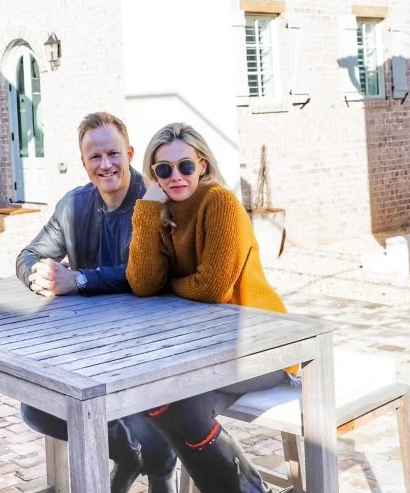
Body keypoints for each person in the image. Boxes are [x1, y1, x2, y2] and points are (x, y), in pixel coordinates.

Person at [127, 122, 296, 493]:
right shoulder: (164, 212)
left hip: (263, 342)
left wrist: (168, 287)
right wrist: (146, 211)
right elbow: (142, 283)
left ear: (202, 165)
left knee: (179, 401)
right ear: (153, 174)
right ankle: (252, 488)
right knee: (155, 398)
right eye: (164, 169)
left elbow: (211, 288)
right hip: (213, 350)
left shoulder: (218, 202)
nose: (176, 176)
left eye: (185, 165)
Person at [15, 111, 177, 493]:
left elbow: (149, 272)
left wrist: (81, 279)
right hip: (89, 350)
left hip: (151, 347)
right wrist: (42, 275)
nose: (106, 165)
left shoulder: (154, 199)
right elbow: (27, 255)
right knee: (38, 407)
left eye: (113, 154)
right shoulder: (73, 206)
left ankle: (158, 472)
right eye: (95, 157)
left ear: (130, 153)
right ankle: (125, 453)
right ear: (84, 162)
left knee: (153, 426)